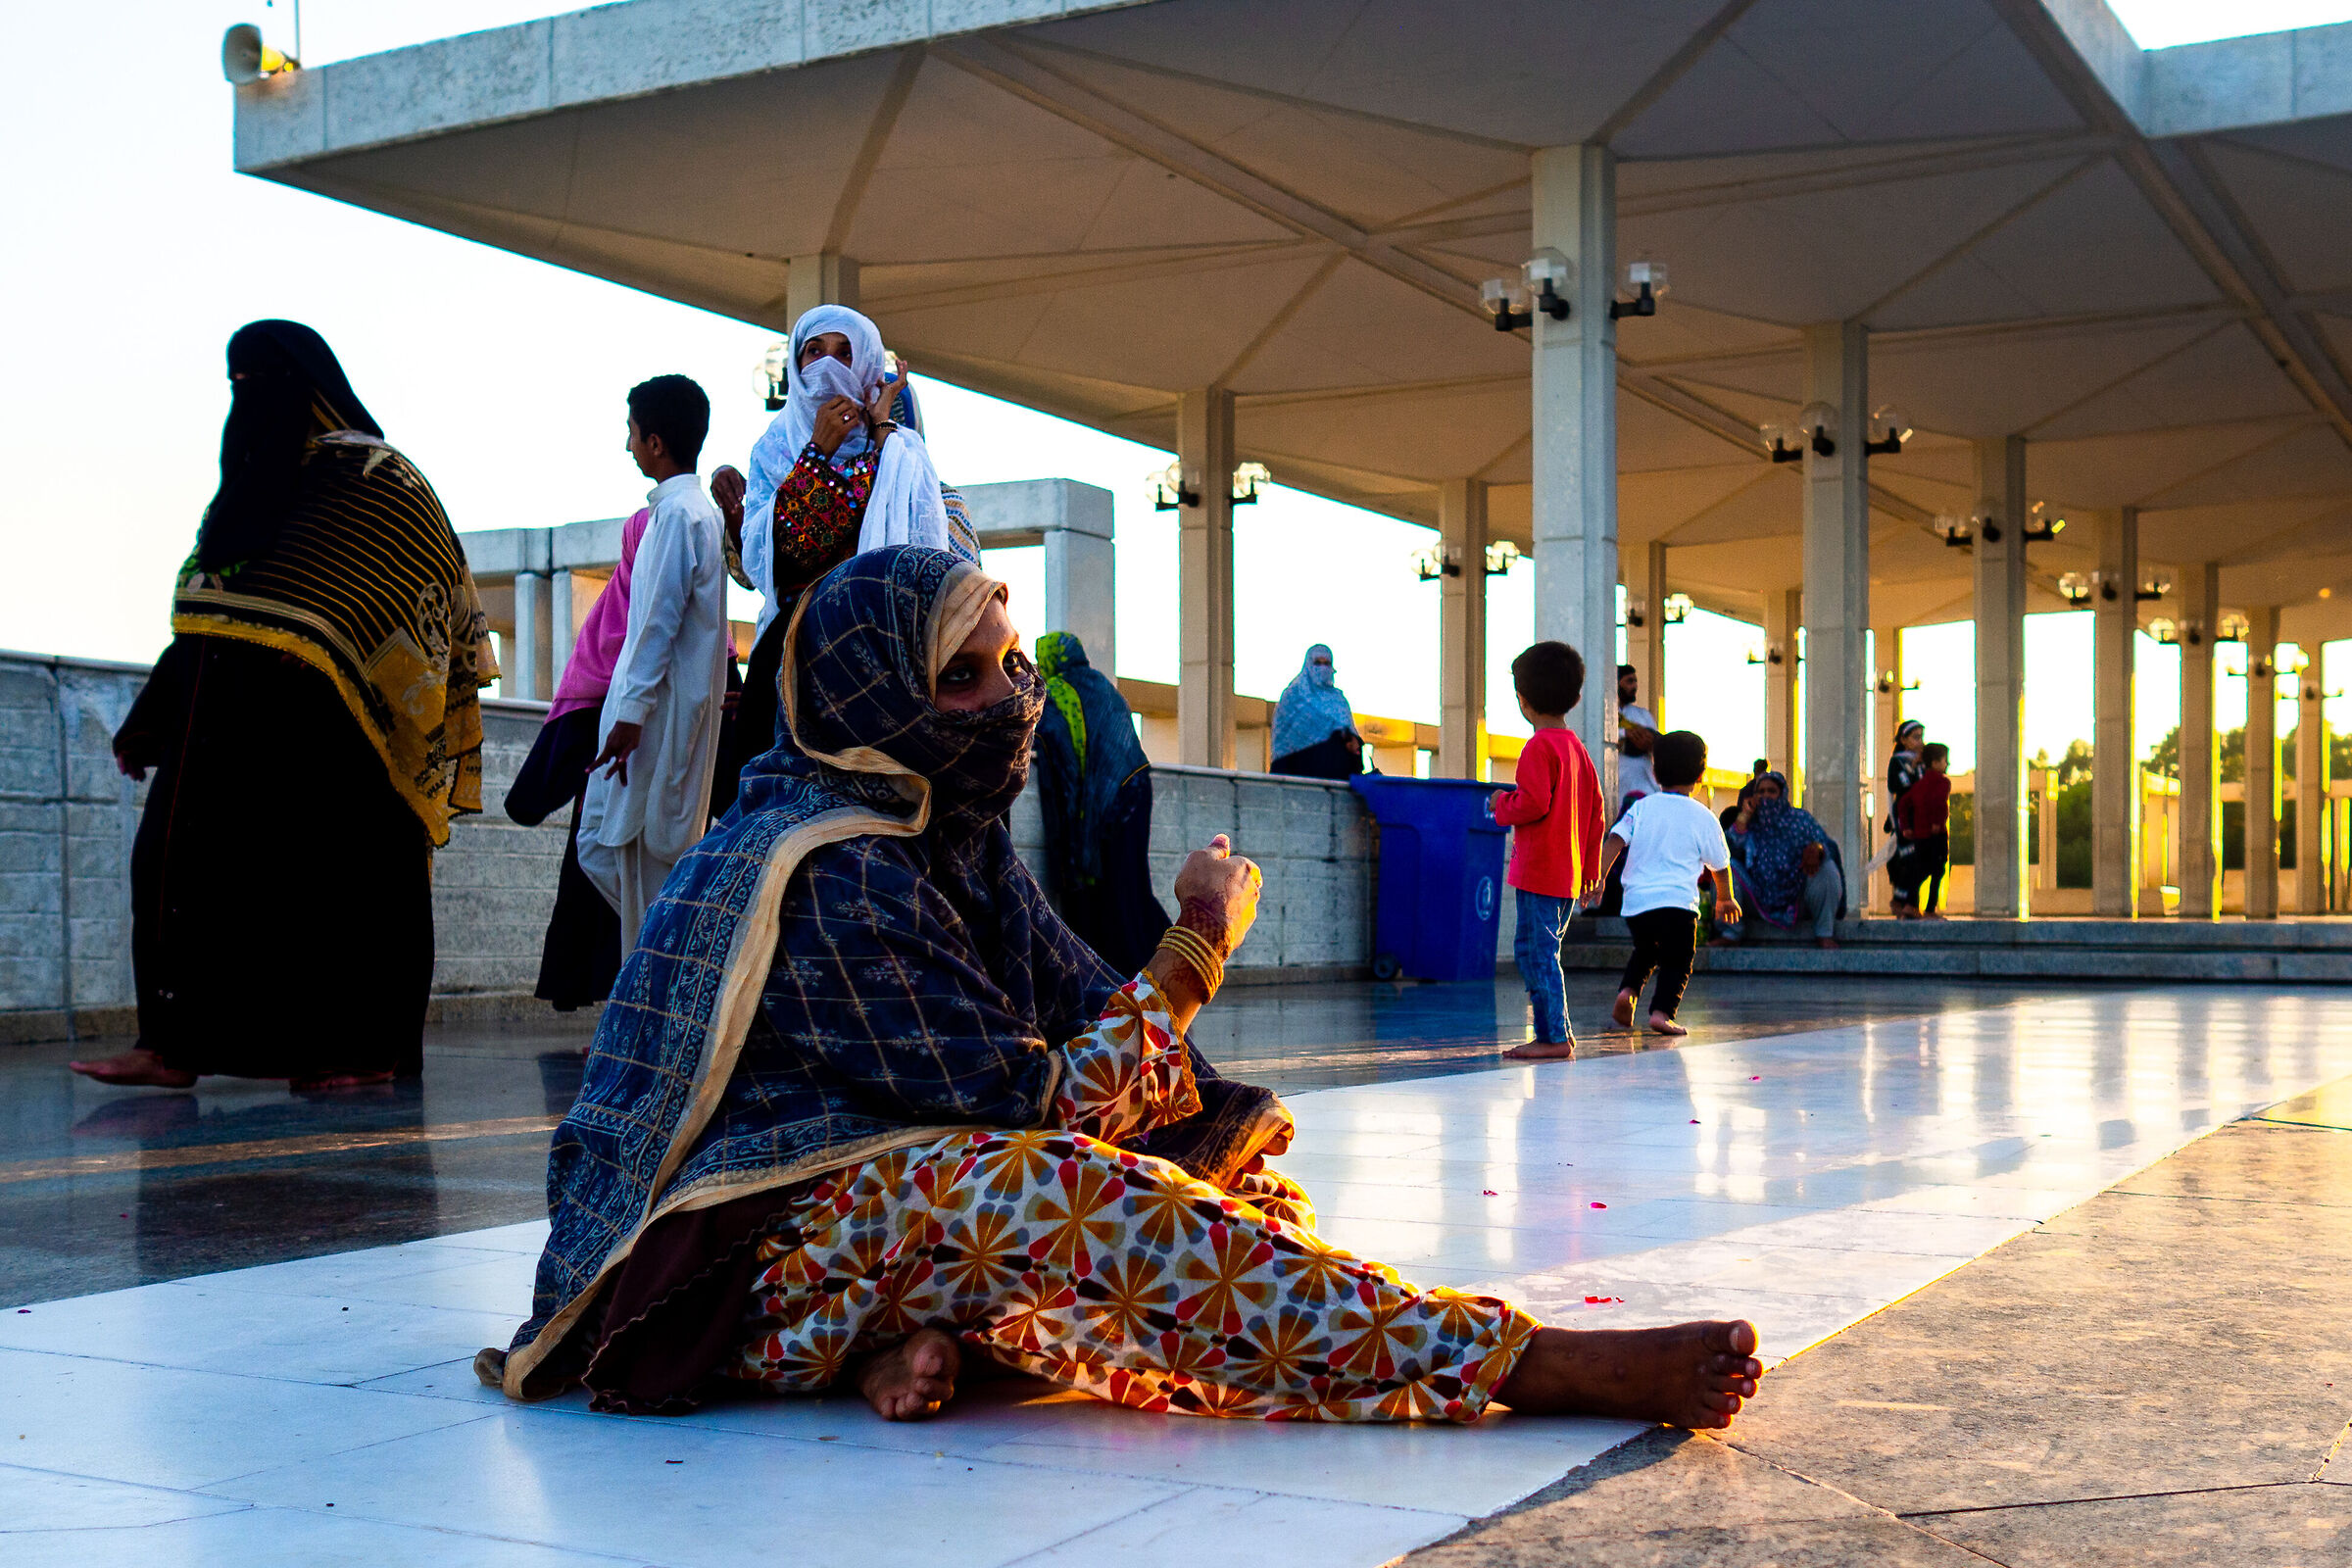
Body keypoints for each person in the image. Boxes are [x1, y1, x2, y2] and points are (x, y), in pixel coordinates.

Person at [478, 546, 1761, 1433]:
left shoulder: (949, 838)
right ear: (868, 706)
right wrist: (1197, 942)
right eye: (963, 679)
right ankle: (1521, 1366)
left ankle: (910, 1350)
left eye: (1009, 666)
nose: (1010, 702)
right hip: (735, 1272)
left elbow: (1101, 1021)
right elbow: (1050, 1107)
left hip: (886, 1220)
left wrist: (1182, 1075)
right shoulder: (829, 877)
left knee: (1227, 1182)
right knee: (1048, 1194)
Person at [72, 320, 495, 1092]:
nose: (246, 397)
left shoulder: (379, 478)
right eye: (234, 383)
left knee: (343, 888)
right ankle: (171, 1044)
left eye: (258, 379)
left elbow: (419, 599)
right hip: (222, 724)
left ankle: (365, 1051)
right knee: (175, 865)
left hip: (344, 734)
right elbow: (213, 610)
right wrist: (153, 716)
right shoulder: (253, 479)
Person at [710, 306, 980, 761]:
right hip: (789, 657)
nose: (829, 367)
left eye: (845, 354)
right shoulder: (772, 456)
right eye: (814, 352)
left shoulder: (922, 487)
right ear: (796, 366)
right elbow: (767, 563)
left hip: (880, 662)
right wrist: (742, 513)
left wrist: (875, 438)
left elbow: (948, 588)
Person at [576, 375, 731, 955]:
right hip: (656, 716)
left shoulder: (680, 517)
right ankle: (672, 962)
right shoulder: (690, 513)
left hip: (658, 721)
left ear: (656, 442)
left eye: (632, 432)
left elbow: (658, 623)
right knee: (604, 848)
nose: (628, 445)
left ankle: (666, 990)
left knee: (645, 859)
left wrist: (633, 714)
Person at [504, 508, 651, 1010]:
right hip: (624, 778)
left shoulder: (626, 619)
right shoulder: (635, 620)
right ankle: (622, 1014)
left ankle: (627, 1014)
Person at [1491, 643, 1607, 1060]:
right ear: (1575, 698)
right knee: (1546, 951)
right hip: (1567, 875)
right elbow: (1597, 811)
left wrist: (1500, 804)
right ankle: (1561, 1031)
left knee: (1535, 952)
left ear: (1522, 700)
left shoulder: (1538, 747)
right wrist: (1592, 869)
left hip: (1540, 872)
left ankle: (1552, 1037)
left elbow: (1533, 802)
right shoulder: (1578, 750)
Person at [1033, 630, 1169, 973]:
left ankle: (1133, 970)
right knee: (1132, 883)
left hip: (1107, 800)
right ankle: (1166, 960)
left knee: (1114, 890)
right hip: (1136, 787)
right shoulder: (1100, 684)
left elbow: (1056, 742)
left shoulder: (1060, 691)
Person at [1598, 731, 1737, 1038]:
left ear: (1655, 771)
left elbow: (1615, 840)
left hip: (1637, 904)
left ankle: (1627, 992)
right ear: (1701, 775)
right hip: (1677, 905)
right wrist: (1725, 899)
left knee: (1646, 950)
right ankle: (1662, 1013)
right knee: (1678, 959)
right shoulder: (1703, 816)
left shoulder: (1641, 808)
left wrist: (1600, 877)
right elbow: (1721, 864)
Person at [1718, 771, 1845, 948]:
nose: (1766, 797)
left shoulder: (1801, 820)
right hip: (1758, 897)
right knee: (1725, 869)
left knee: (1827, 869)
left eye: (1771, 791)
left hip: (1796, 899)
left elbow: (1826, 845)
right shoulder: (1750, 823)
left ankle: (1824, 933)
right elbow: (1725, 850)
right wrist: (1744, 817)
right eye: (1761, 792)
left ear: (1782, 793)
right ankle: (1731, 933)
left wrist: (1816, 850)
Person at [1270, 643, 1364, 778]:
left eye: (1327, 663)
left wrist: (1352, 740)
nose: (1322, 668)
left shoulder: (1338, 699)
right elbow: (1285, 739)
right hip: (1303, 775)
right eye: (1318, 663)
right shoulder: (1293, 696)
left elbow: (1350, 733)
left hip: (1339, 777)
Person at [1890, 742, 1952, 920]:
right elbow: (1938, 804)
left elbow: (1903, 803)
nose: (1947, 764)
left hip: (1919, 835)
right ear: (1934, 763)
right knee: (1938, 870)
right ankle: (1930, 909)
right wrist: (1936, 822)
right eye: (1944, 761)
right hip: (1936, 834)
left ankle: (1909, 904)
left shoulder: (1920, 784)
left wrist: (1906, 827)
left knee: (1920, 870)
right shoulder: (1942, 782)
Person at [1615, 664, 1659, 808]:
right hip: (1617, 785)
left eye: (1635, 681)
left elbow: (1655, 743)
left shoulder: (1643, 715)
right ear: (1616, 683)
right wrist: (1624, 735)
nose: (1634, 686)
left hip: (1644, 785)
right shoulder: (1605, 713)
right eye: (1629, 681)